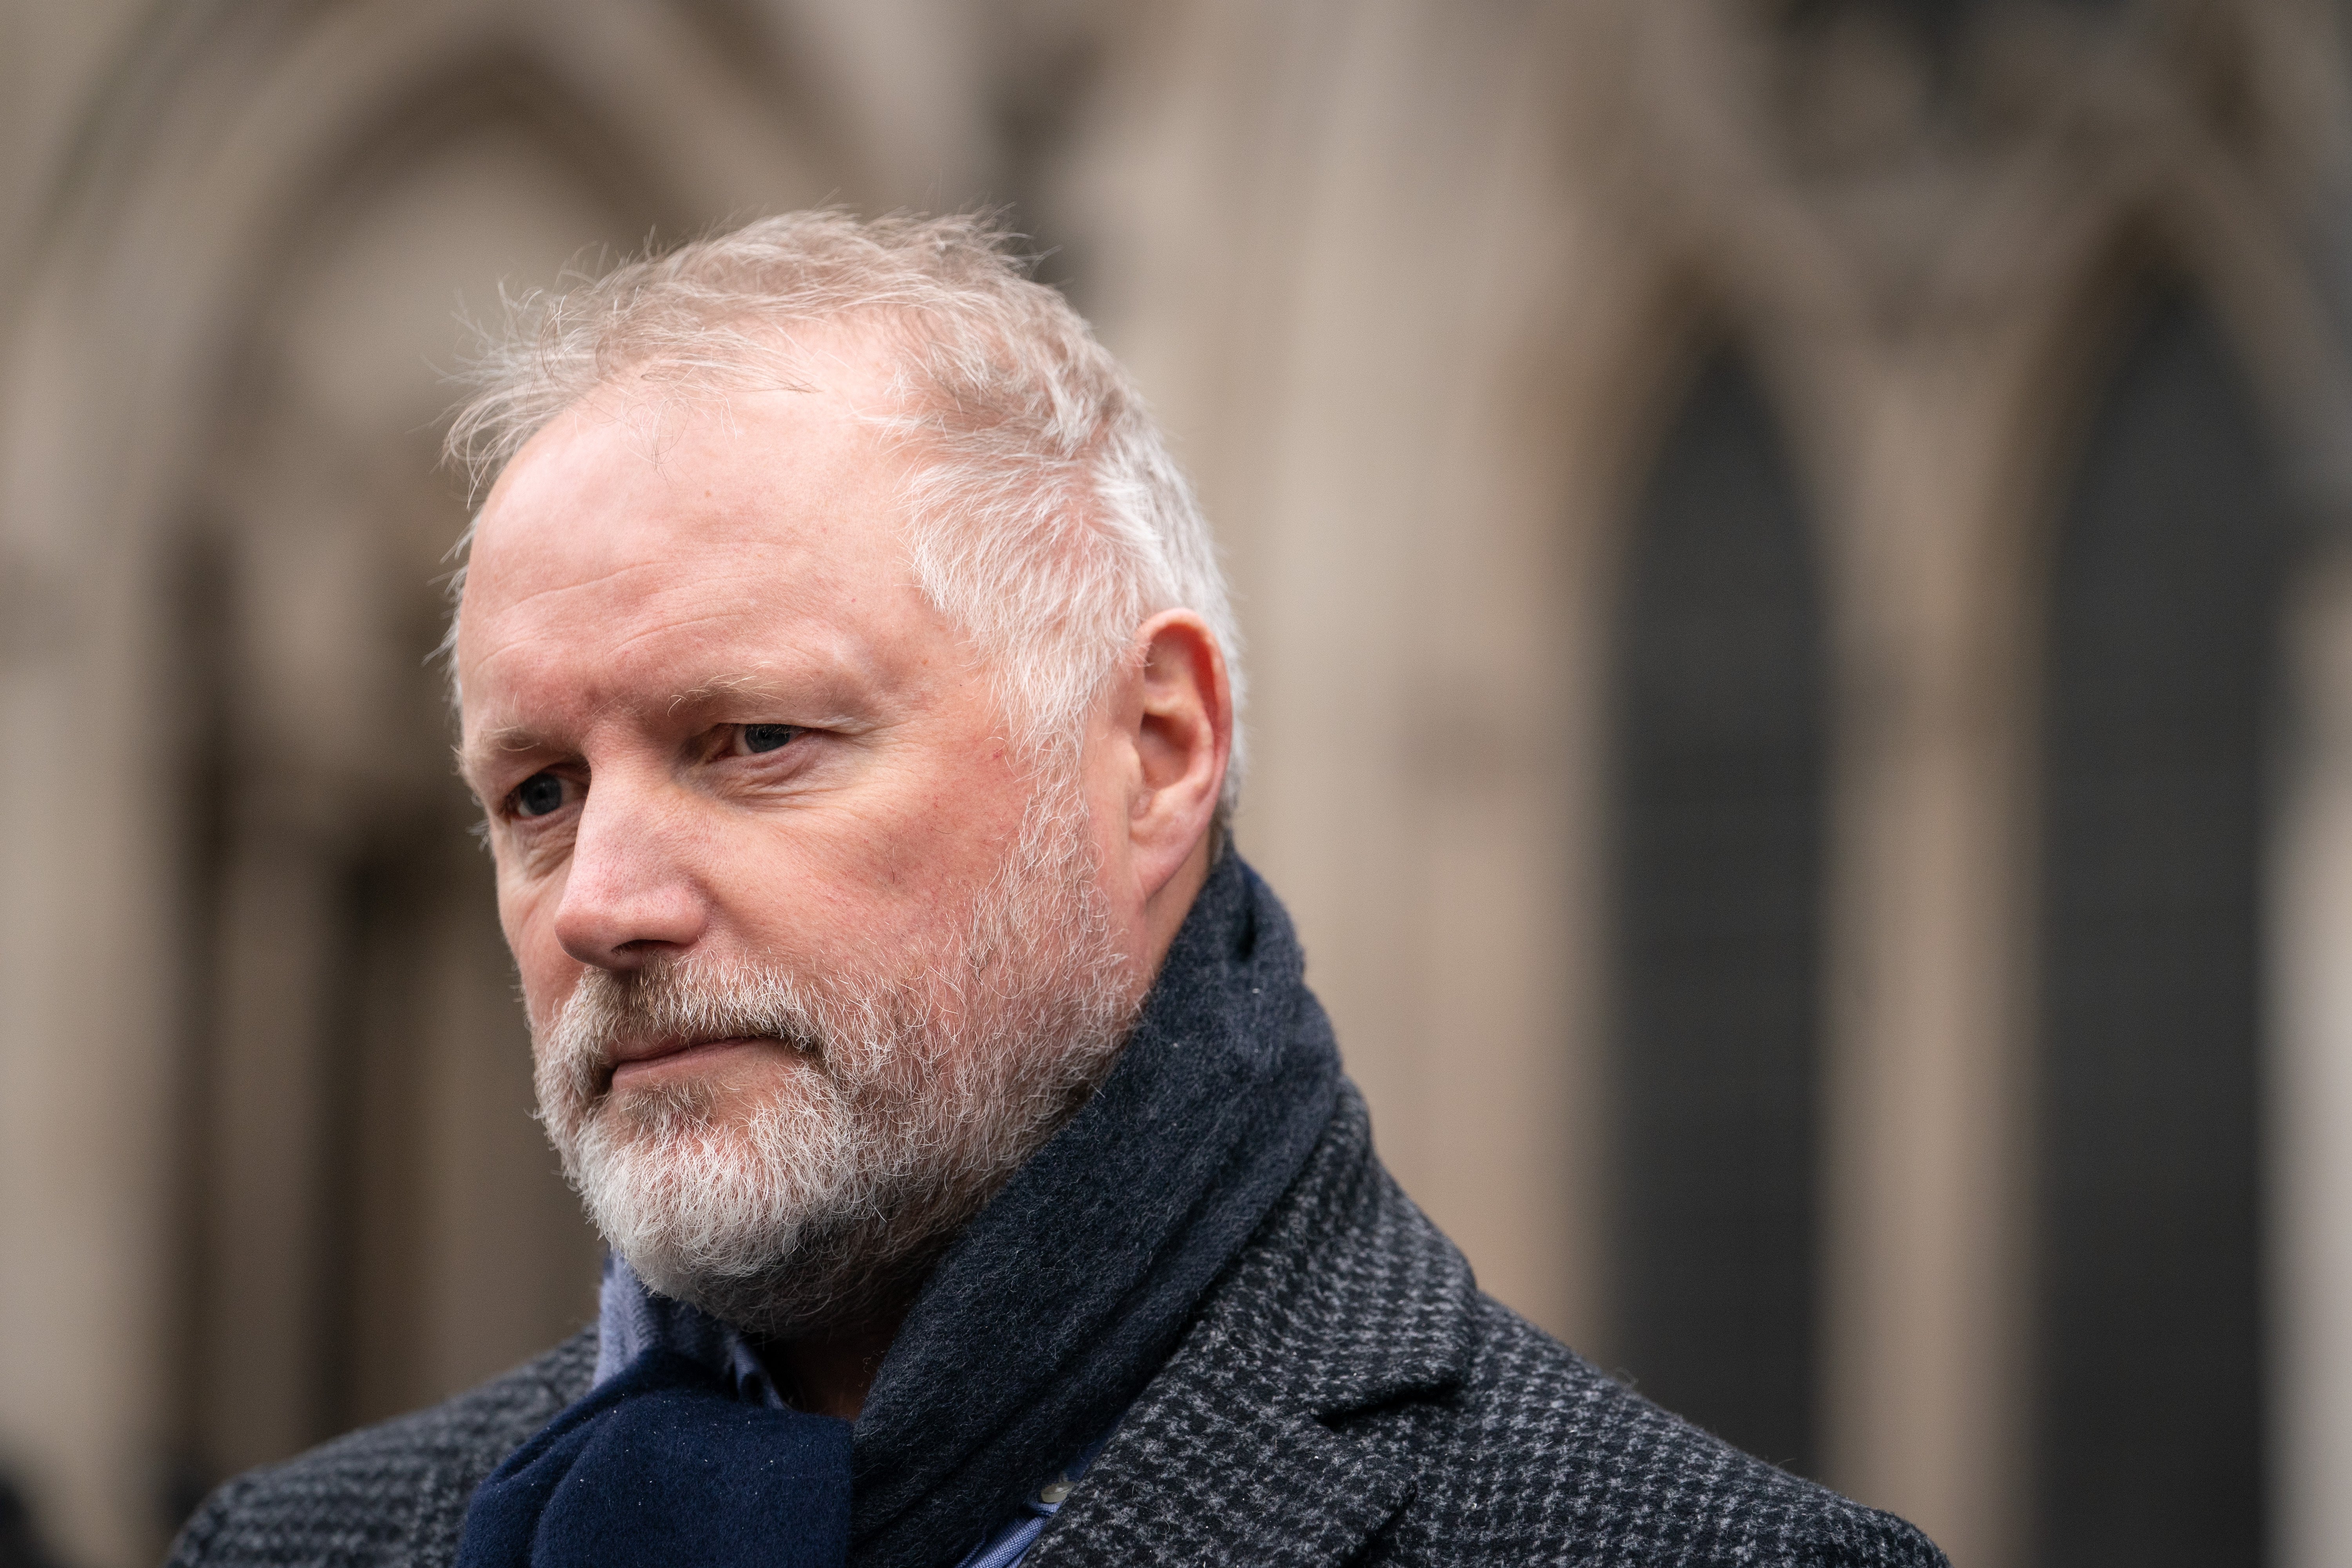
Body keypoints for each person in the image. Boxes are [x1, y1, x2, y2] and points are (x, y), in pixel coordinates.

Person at [166, 211, 1945, 1568]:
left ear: (1156, 751)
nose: (599, 904)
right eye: (538, 794)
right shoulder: (300, 1548)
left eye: (756, 741)